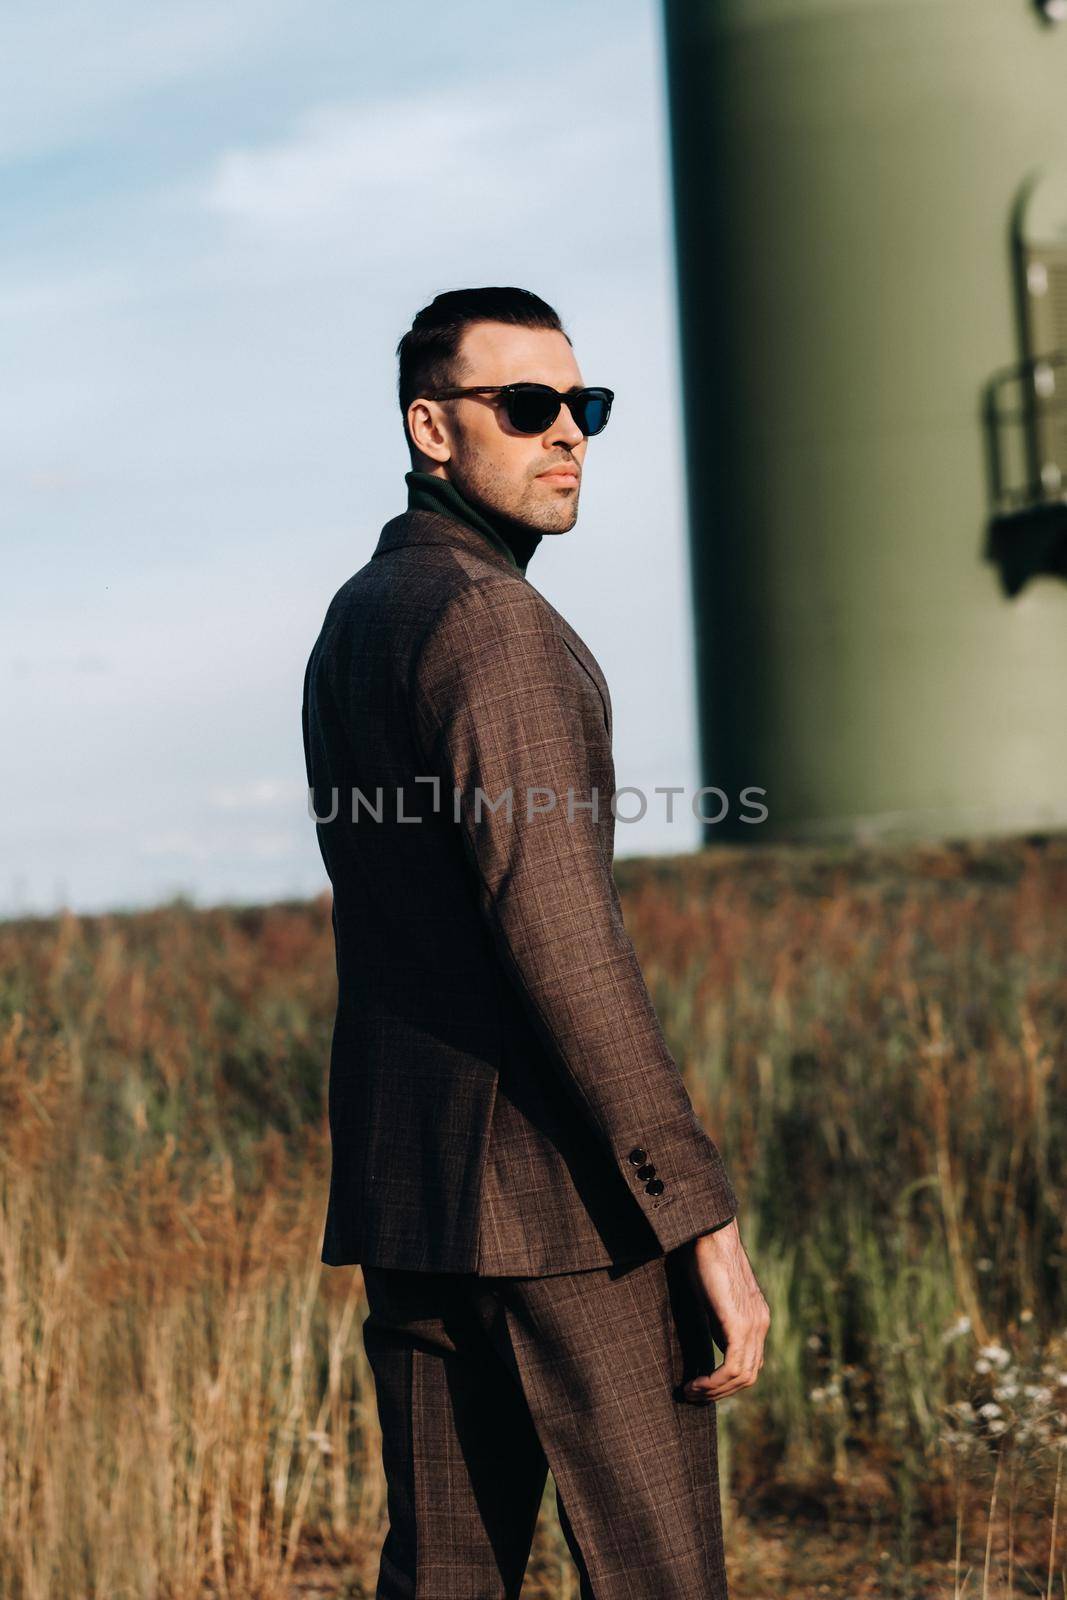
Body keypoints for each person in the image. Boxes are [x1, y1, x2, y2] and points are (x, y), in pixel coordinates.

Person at [301, 286, 770, 1599]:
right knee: (657, 1575)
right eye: (527, 406)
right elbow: (561, 940)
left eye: (585, 407)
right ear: (431, 428)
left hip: (418, 1198)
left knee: (445, 1575)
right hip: (563, 1214)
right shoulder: (492, 622)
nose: (567, 434)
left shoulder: (360, 616)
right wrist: (700, 1221)